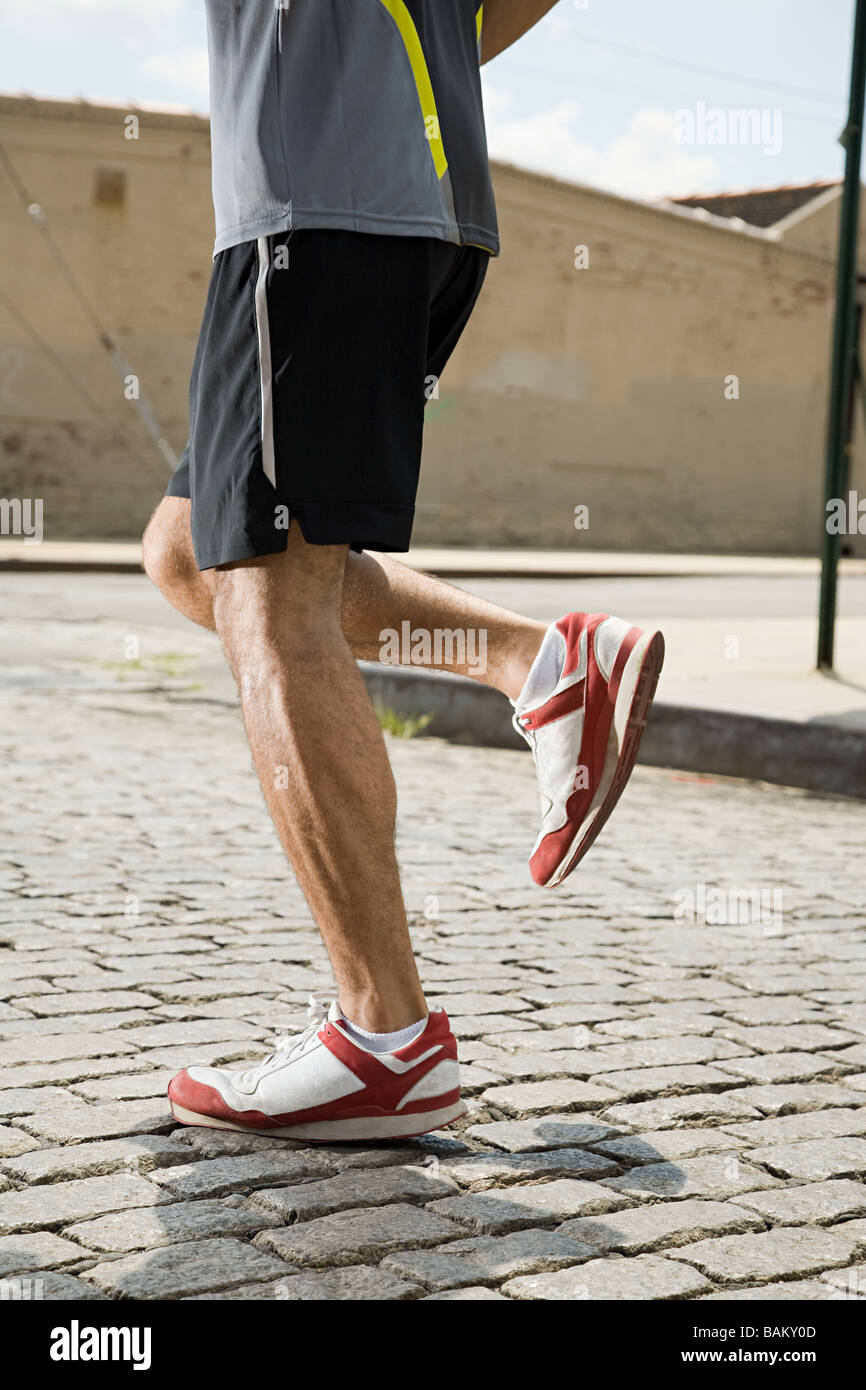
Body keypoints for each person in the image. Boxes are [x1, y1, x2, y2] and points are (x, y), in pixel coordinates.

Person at [142, 0, 664, 1143]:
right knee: (192, 550)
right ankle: (541, 659)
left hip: (319, 206)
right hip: (399, 205)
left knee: (270, 593)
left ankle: (385, 1040)